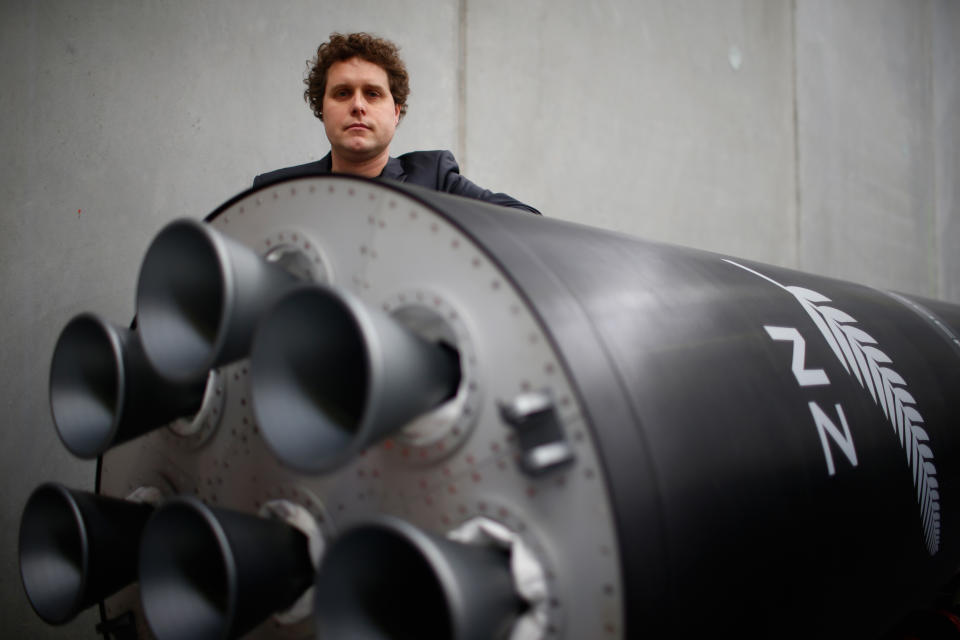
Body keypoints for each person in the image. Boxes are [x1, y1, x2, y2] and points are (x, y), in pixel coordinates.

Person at [253, 32, 540, 215]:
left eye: (372, 93)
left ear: (395, 112)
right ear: (322, 109)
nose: (357, 105)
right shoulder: (277, 191)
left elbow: (524, 221)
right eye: (342, 93)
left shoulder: (434, 179)